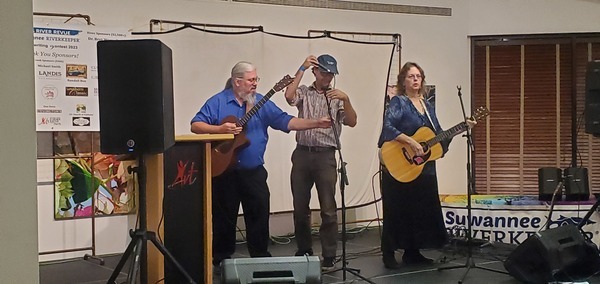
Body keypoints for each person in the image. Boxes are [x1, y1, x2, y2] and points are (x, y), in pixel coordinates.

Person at [190, 61, 331, 268]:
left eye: (256, 79)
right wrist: (220, 129)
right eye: (250, 80)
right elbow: (195, 125)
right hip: (223, 172)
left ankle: (260, 259)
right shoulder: (218, 102)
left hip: (253, 173)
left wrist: (316, 123)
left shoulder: (261, 103)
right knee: (223, 218)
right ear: (237, 82)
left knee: (258, 215)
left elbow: (287, 121)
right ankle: (221, 260)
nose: (255, 83)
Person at [377, 62, 474, 268]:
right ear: (403, 80)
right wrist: (411, 142)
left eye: (418, 76)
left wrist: (461, 128)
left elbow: (438, 135)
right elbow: (387, 127)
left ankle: (413, 252)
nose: (415, 79)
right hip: (399, 164)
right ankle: (388, 253)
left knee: (419, 211)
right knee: (396, 210)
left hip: (423, 168)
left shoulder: (427, 106)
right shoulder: (399, 103)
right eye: (411, 76)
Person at [284, 54, 357, 270]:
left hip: (326, 155)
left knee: (328, 208)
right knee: (300, 207)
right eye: (324, 72)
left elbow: (352, 121)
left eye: (331, 74)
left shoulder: (336, 97)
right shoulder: (305, 92)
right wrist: (302, 68)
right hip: (302, 153)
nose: (328, 77)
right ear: (316, 71)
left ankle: (329, 254)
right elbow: (289, 96)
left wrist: (347, 100)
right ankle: (304, 249)